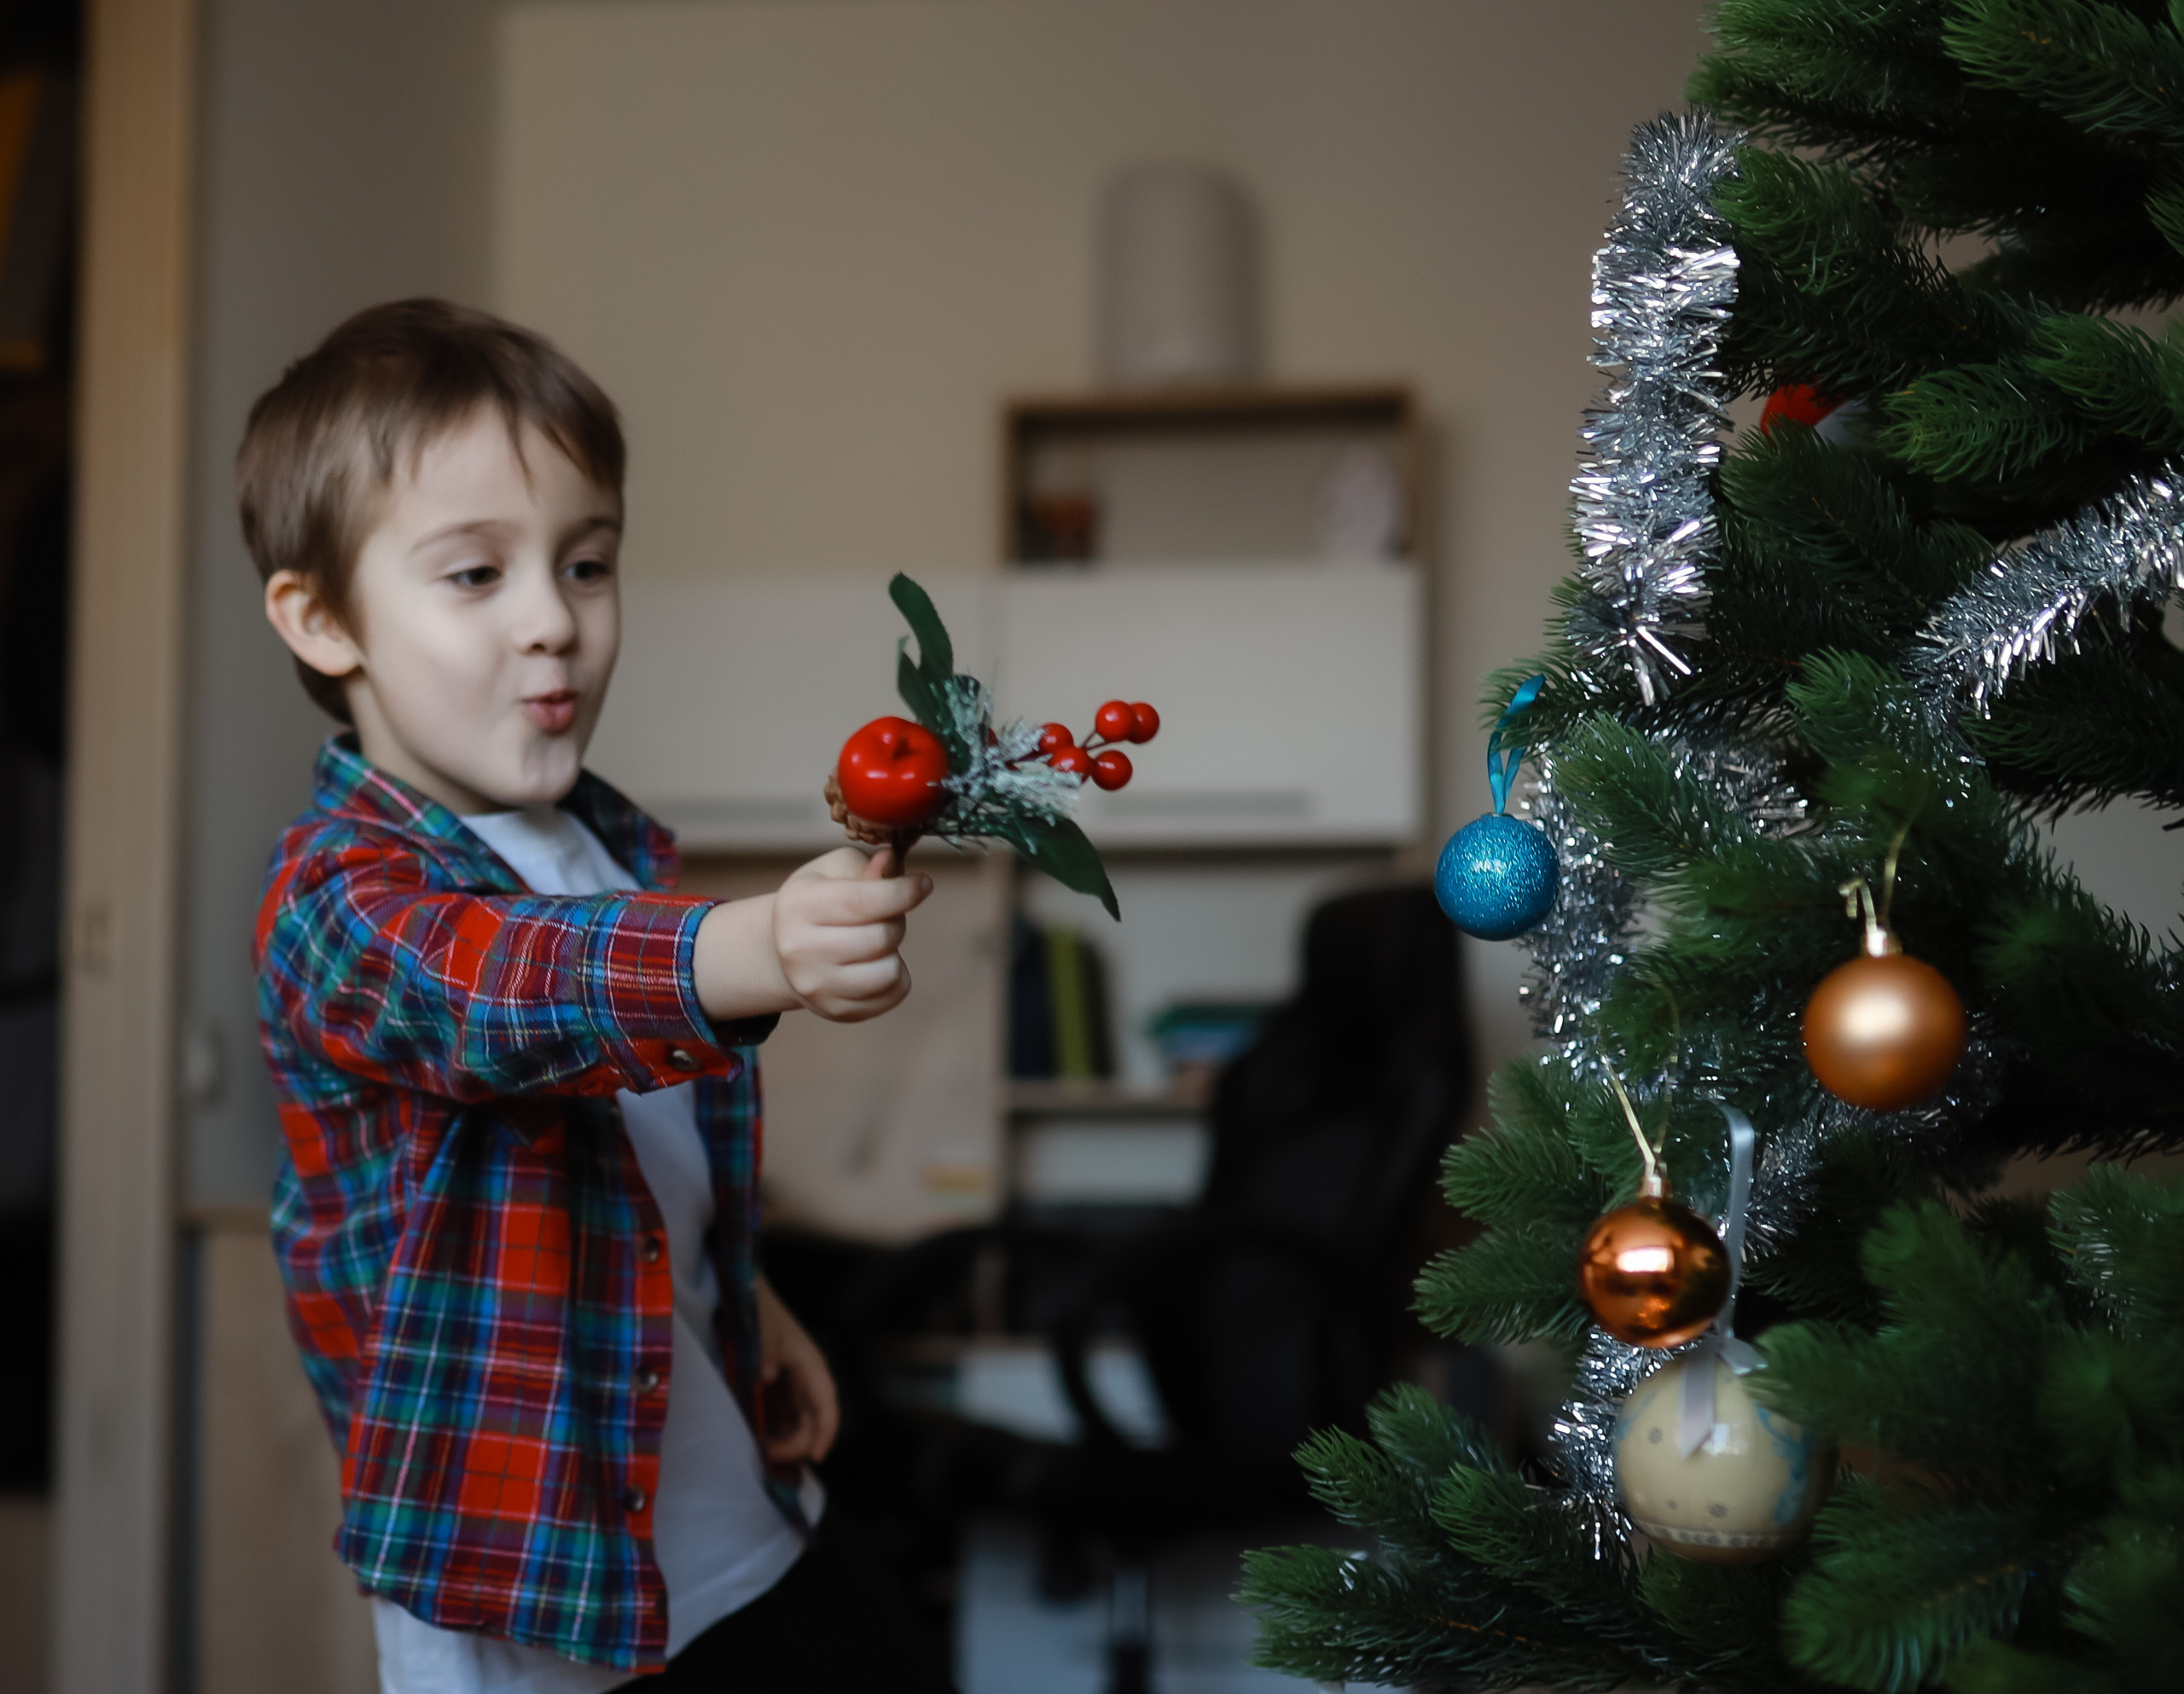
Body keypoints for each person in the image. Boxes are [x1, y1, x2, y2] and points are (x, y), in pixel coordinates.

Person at [247, 299, 950, 1691]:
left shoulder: (603, 849)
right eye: (473, 576)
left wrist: (751, 1302)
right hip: (532, 1579)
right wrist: (750, 950)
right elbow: (501, 994)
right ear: (323, 617)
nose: (551, 623)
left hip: (727, 1513)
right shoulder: (331, 898)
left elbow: (644, 1175)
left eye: (585, 563)